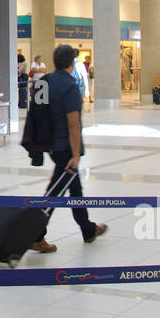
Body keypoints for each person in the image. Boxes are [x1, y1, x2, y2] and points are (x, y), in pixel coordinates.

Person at [30, 44, 107, 253]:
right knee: (54, 193)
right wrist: (75, 154)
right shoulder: (70, 85)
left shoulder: (47, 81)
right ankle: (35, 236)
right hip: (66, 148)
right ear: (72, 63)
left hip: (53, 145)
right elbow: (73, 123)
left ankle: (88, 229)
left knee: (75, 189)